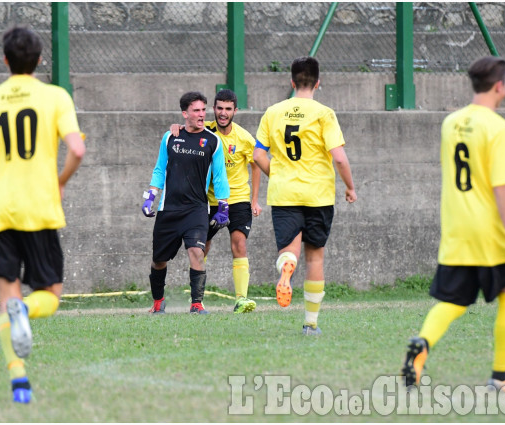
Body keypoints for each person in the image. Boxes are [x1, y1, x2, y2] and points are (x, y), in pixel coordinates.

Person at [0, 26, 86, 404]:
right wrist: (60, 180)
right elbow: (77, 149)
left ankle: (19, 383)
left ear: (5, 60)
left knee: (6, 297)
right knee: (51, 295)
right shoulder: (54, 96)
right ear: (40, 59)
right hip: (39, 207)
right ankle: (26, 311)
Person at [401, 56, 505, 394]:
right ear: (501, 86)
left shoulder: (451, 122)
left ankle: (422, 344)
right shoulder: (499, 128)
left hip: (457, 229)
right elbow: (501, 186)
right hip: (490, 231)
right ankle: (501, 376)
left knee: (454, 300)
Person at [253, 56, 357, 335]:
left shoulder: (273, 112)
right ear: (318, 83)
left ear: (292, 82)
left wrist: (276, 174)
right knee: (315, 258)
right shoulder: (324, 114)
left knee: (291, 252)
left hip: (284, 193)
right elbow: (340, 158)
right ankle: (311, 323)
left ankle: (286, 268)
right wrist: (349, 187)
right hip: (319, 195)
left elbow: (257, 154)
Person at [169, 89, 262, 314]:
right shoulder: (205, 130)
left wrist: (255, 200)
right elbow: (186, 131)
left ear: (235, 111)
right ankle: (197, 300)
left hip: (237, 199)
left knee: (239, 243)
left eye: (228, 109)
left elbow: (256, 163)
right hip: (208, 200)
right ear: (214, 109)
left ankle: (241, 299)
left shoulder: (244, 137)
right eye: (219, 108)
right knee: (201, 247)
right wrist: (177, 128)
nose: (223, 113)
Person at [142, 91, 230, 315]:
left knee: (196, 252)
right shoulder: (170, 137)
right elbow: (160, 169)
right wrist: (150, 197)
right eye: (196, 111)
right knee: (159, 260)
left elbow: (219, 177)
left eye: (203, 110)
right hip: (168, 209)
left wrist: (223, 207)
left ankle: (197, 304)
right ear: (185, 113)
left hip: (197, 210)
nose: (202, 115)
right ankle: (158, 302)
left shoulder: (213, 141)